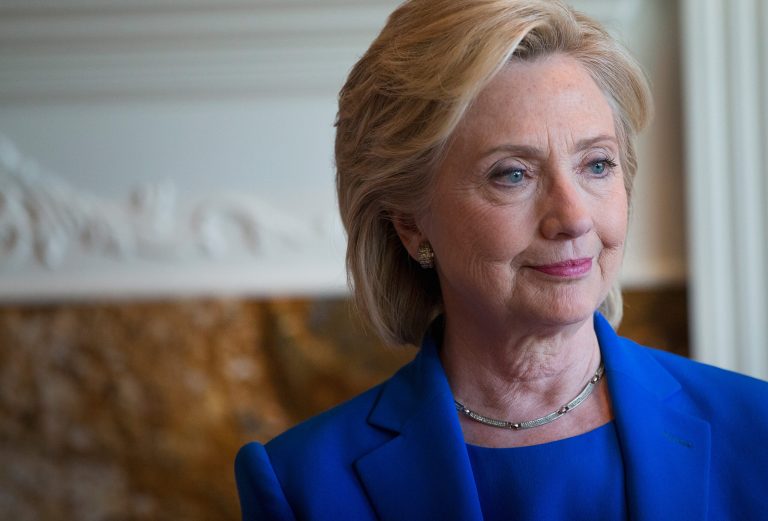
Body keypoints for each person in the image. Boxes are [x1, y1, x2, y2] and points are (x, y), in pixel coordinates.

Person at [235, 1, 768, 519]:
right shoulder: (301, 486)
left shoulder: (755, 430)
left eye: (597, 164)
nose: (574, 217)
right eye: (512, 174)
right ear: (409, 222)